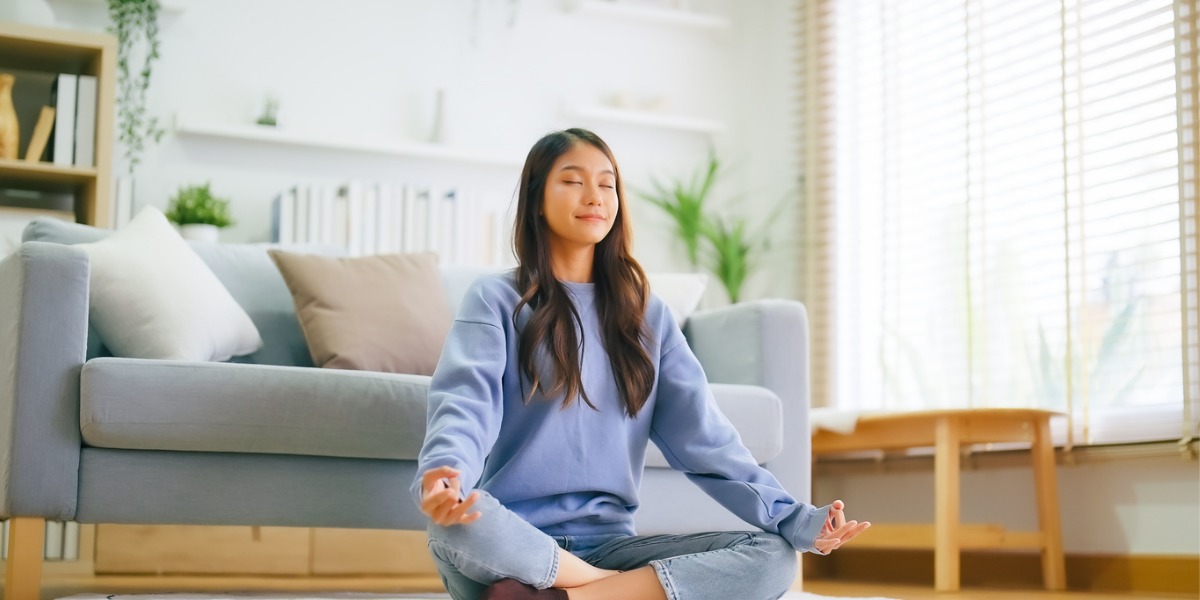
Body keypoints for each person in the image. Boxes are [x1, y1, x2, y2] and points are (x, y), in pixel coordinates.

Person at [412, 128, 870, 600]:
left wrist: (794, 519)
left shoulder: (648, 316)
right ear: (536, 202)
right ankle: (616, 593)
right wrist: (446, 471)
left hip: (610, 545)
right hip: (515, 541)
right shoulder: (496, 300)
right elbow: (465, 399)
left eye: (607, 184)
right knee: (458, 526)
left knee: (772, 558)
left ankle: (560, 596)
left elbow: (708, 441)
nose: (594, 196)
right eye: (572, 181)